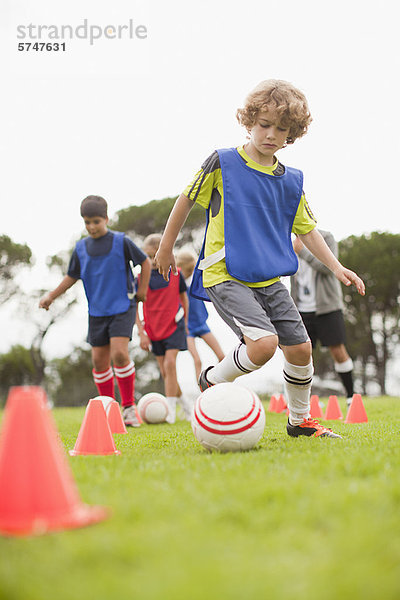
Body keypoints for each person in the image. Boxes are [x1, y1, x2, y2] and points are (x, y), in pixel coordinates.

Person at [155, 79, 365, 440]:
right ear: (249, 121)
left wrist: (337, 266)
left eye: (282, 129)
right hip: (225, 273)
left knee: (300, 348)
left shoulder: (291, 181)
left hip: (269, 279)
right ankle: (212, 380)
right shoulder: (222, 162)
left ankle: (300, 422)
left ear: (292, 135)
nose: (271, 134)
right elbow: (185, 200)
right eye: (264, 124)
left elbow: (308, 230)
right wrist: (165, 248)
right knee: (264, 345)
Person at [39, 195, 151, 427]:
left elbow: (145, 262)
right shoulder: (80, 248)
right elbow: (72, 276)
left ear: (106, 219)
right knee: (99, 361)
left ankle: (129, 407)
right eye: (87, 222)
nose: (91, 227)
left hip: (123, 305)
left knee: (119, 354)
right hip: (97, 311)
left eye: (96, 221)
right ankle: (108, 409)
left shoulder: (122, 241)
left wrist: (142, 291)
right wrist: (51, 295)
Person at [291, 230, 355, 406]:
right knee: (300, 355)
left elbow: (330, 268)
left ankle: (351, 397)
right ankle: (304, 401)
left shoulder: (326, 238)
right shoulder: (288, 241)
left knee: (338, 351)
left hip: (327, 306)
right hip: (301, 308)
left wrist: (302, 251)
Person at [135, 234, 193, 424]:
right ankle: (185, 404)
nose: (151, 260)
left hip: (174, 323)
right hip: (153, 328)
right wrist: (141, 332)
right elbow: (135, 305)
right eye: (147, 256)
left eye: (154, 255)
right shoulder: (140, 278)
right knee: (166, 371)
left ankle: (170, 413)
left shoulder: (176, 274)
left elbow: (184, 298)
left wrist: (184, 321)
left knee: (170, 365)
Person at [176, 249, 225, 381]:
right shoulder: (178, 286)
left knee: (222, 356)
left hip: (202, 325)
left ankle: (222, 383)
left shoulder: (196, 283)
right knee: (197, 361)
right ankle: (201, 391)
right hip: (188, 329)